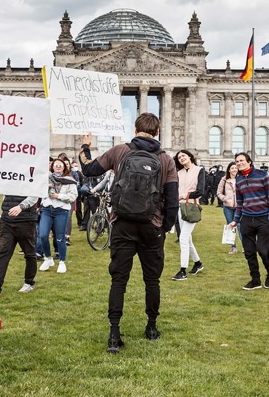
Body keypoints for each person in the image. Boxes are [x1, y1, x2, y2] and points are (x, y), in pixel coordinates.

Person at [79, 112, 179, 353]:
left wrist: (85, 146)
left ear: (135, 130)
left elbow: (88, 170)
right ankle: (151, 328)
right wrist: (163, 228)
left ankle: (114, 334)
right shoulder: (166, 159)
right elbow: (173, 201)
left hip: (122, 223)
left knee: (118, 280)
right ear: (157, 132)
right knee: (152, 280)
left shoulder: (119, 151)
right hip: (151, 227)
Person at [228, 152, 269, 291]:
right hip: (247, 219)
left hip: (264, 219)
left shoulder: (263, 175)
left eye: (241, 160)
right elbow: (240, 202)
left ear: (249, 161)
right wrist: (235, 220)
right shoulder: (239, 180)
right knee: (249, 252)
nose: (239, 163)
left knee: (263, 250)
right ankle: (255, 280)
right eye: (237, 161)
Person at [0, 194, 40, 298]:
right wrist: (2, 215)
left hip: (26, 221)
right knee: (3, 253)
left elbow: (34, 196)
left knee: (29, 254)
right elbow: (5, 195)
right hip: (7, 221)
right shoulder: (10, 179)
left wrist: (21, 207)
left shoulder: (32, 179)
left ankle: (29, 283)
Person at [37, 159, 77, 274]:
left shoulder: (69, 180)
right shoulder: (47, 178)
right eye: (56, 165)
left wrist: (59, 195)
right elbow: (37, 191)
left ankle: (62, 262)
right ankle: (48, 258)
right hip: (47, 209)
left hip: (61, 210)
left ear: (64, 167)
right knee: (43, 235)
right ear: (52, 167)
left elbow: (73, 196)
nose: (58, 167)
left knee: (60, 237)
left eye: (60, 165)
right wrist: (46, 187)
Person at [172, 149, 205, 280]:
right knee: (187, 239)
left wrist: (186, 195)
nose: (181, 158)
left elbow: (200, 190)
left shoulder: (199, 170)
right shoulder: (178, 173)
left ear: (190, 157)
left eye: (183, 155)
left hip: (191, 206)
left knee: (183, 238)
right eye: (179, 157)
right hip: (180, 207)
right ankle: (198, 263)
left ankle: (182, 270)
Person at [217, 161, 240, 254]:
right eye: (232, 168)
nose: (234, 169)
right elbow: (218, 192)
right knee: (231, 226)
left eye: (236, 168)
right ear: (229, 170)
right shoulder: (224, 179)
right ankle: (233, 247)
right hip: (228, 207)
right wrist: (224, 198)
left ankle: (245, 247)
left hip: (239, 207)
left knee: (240, 226)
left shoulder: (241, 179)